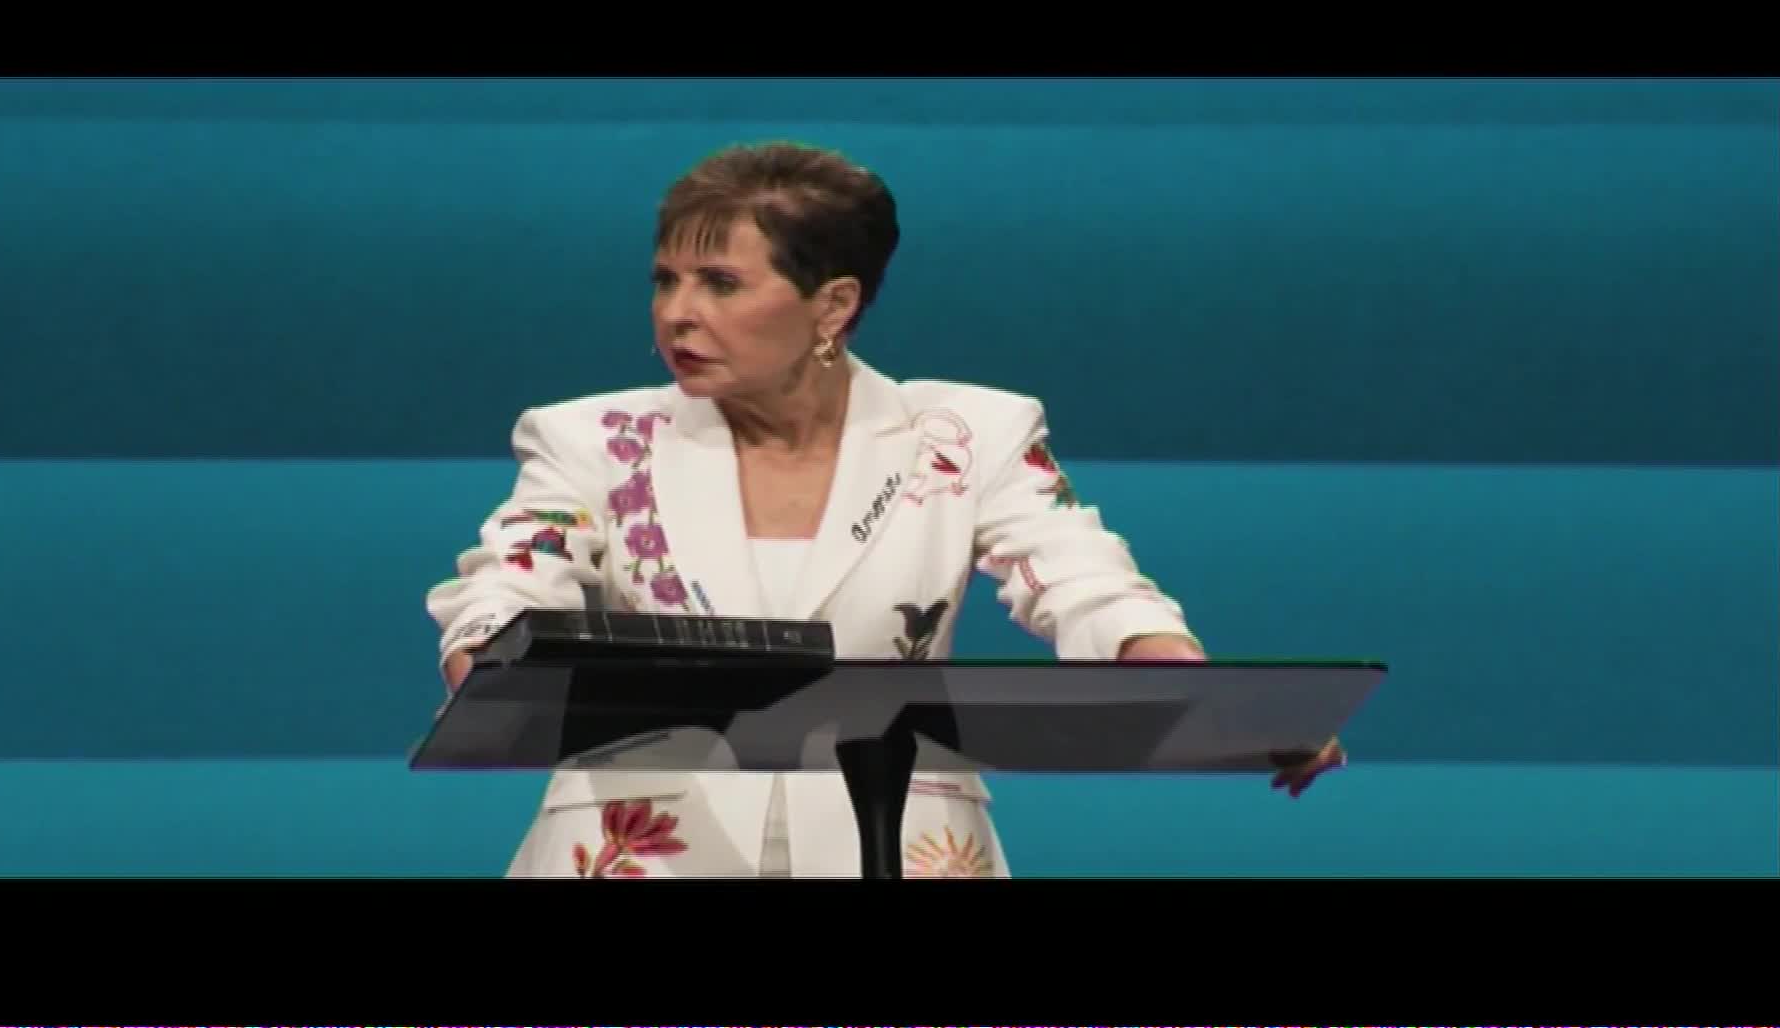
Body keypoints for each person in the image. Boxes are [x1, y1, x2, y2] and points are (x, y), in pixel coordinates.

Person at [425, 141, 1345, 878]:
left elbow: (1081, 575)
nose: (676, 314)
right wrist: (488, 663)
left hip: (897, 842)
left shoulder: (967, 432)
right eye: (665, 279)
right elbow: (508, 583)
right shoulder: (591, 437)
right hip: (642, 848)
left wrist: (1205, 694)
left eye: (721, 284)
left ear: (832, 305)